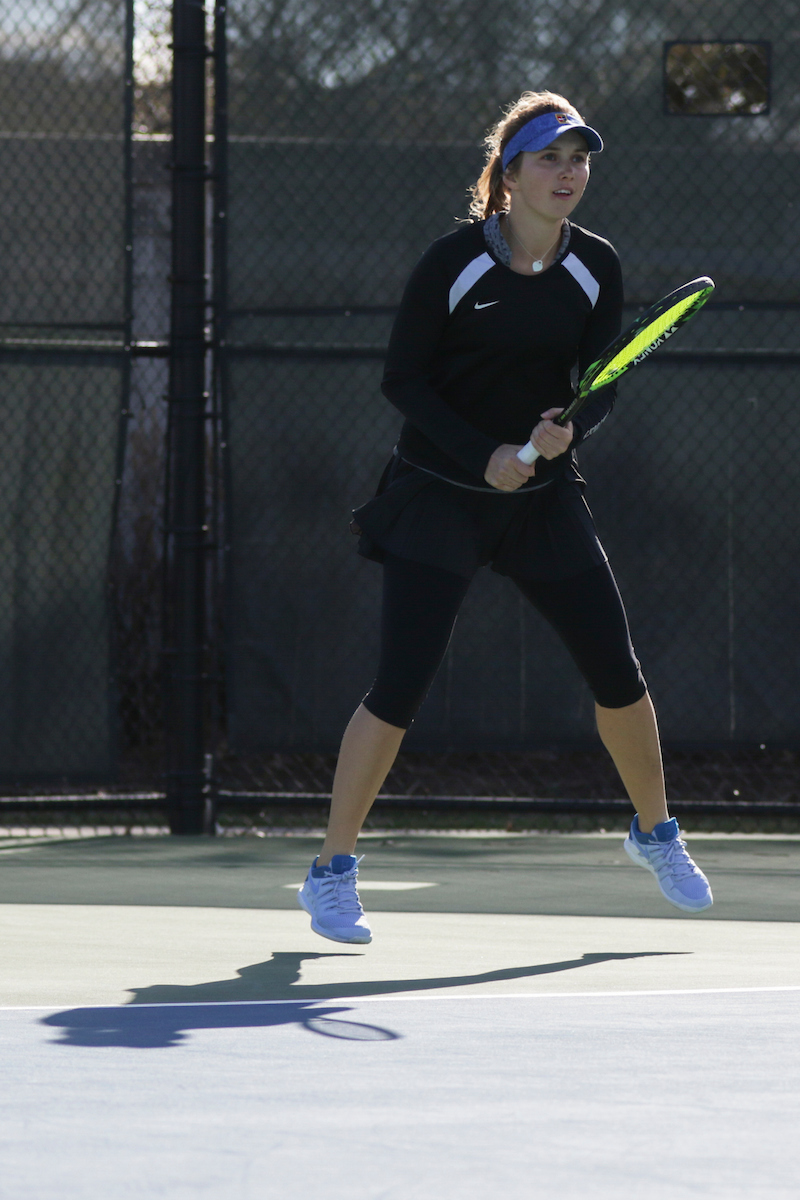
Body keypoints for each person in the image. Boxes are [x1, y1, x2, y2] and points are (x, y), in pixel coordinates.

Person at [297, 90, 713, 945]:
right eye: (552, 159)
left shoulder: (597, 265)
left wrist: (568, 434)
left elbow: (603, 378)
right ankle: (330, 874)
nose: (570, 173)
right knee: (399, 688)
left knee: (617, 668)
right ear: (510, 174)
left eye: (581, 159)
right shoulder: (453, 263)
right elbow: (403, 379)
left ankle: (656, 834)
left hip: (541, 502)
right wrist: (479, 453)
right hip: (438, 496)